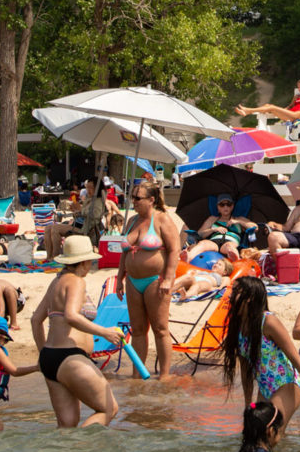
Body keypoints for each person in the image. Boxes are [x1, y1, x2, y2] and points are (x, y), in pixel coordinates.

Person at [30, 236, 123, 427]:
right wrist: (105, 332)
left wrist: (42, 354)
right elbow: (71, 316)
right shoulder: (76, 281)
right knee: (108, 409)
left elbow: (35, 320)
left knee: (67, 427)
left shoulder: (56, 282)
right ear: (85, 261)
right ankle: (85, 450)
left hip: (50, 358)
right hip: (69, 357)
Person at [222, 276, 300, 433]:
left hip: (287, 384)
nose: (231, 295)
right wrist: (247, 406)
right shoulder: (238, 326)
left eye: (236, 291)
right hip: (265, 388)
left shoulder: (268, 322)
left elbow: (296, 359)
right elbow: (246, 371)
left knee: (269, 433)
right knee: (256, 434)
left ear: (250, 298)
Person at [115, 180, 179, 380]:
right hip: (133, 281)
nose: (133, 201)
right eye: (132, 197)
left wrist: (168, 279)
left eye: (137, 198)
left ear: (151, 200)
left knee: (160, 328)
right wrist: (119, 279)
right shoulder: (132, 220)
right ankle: (138, 374)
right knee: (138, 330)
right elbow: (124, 253)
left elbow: (174, 250)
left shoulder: (162, 219)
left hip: (155, 280)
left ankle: (165, 375)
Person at [189, 194, 259, 262]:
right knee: (203, 244)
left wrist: (239, 222)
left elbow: (255, 228)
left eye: (228, 204)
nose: (225, 207)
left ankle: (236, 262)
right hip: (214, 241)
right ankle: (188, 258)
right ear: (218, 207)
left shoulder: (239, 218)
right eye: (222, 205)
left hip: (231, 241)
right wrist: (213, 229)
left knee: (229, 247)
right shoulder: (212, 219)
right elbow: (200, 234)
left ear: (232, 206)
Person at [235, 76, 300, 128]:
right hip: (289, 114)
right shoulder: (296, 96)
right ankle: (247, 112)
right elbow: (290, 106)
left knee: (272, 107)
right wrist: (283, 110)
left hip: (296, 115)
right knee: (268, 105)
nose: (299, 89)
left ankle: (247, 110)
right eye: (298, 87)